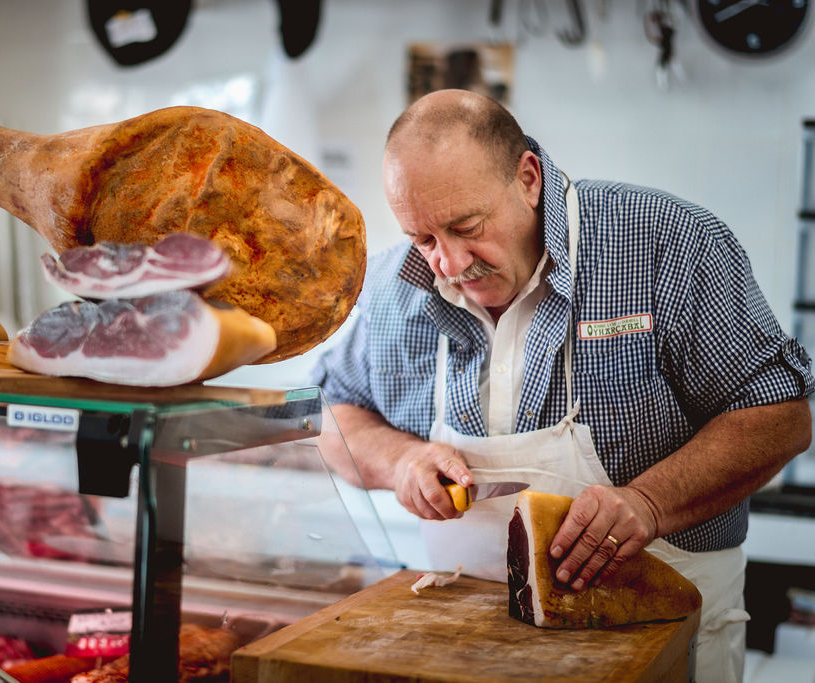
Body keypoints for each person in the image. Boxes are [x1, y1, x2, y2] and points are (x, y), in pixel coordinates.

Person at [311, 88, 813, 682]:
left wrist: (649, 503)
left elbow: (781, 414)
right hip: (463, 646)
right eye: (424, 238)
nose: (448, 262)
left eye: (466, 226)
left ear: (527, 178)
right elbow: (330, 415)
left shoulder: (666, 243)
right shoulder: (396, 287)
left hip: (660, 641)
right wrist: (400, 461)